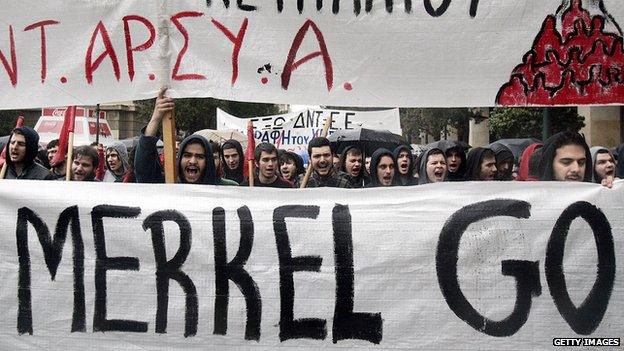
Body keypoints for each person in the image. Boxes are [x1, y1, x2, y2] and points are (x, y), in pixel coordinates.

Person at [135, 89, 226, 185]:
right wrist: (156, 118)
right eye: (187, 155)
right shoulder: (168, 185)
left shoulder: (223, 191)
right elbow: (144, 170)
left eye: (199, 157)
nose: (192, 161)